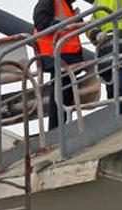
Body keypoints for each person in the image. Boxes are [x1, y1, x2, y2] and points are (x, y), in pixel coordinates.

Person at [33, 0, 85, 130]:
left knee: (65, 94)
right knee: (60, 95)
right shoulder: (50, 1)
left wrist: (75, 20)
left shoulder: (64, 5)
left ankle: (58, 128)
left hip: (66, 55)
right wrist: (62, 24)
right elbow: (41, 22)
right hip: (57, 54)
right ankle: (56, 129)